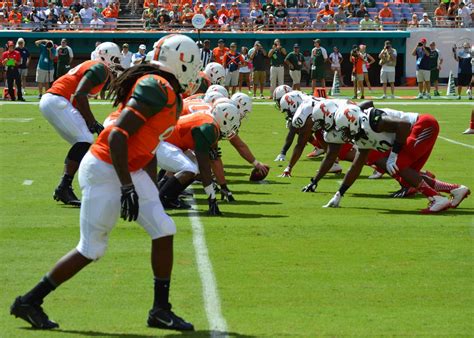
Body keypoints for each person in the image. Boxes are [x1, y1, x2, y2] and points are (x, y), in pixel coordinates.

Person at [10, 34, 201, 332]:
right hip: (105, 167)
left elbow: (149, 145)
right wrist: (127, 187)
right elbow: (117, 136)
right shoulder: (157, 86)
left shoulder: (165, 88)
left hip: (129, 168)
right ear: (183, 61)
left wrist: (145, 189)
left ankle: (160, 310)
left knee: (164, 228)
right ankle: (29, 301)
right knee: (92, 248)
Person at [325, 105, 470, 213]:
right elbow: (355, 167)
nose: (344, 134)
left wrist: (393, 155)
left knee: (397, 166)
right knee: (408, 177)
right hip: (419, 130)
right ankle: (455, 190)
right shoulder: (361, 135)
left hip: (424, 125)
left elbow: (404, 125)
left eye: (344, 129)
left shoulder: (374, 120)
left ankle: (436, 198)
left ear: (352, 121)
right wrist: (339, 194)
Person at [38, 42, 122, 206]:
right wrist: (92, 122)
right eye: (115, 58)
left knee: (83, 144)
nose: (116, 63)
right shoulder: (100, 68)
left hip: (57, 101)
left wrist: (90, 122)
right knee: (84, 140)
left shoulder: (94, 67)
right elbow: (80, 94)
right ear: (107, 56)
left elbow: (77, 97)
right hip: (57, 100)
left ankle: (67, 186)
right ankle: (64, 187)